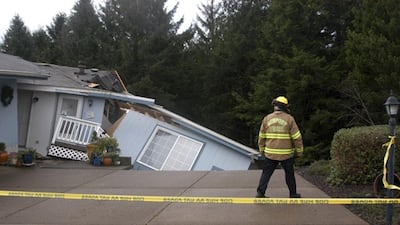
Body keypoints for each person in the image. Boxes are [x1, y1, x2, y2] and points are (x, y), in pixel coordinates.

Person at [256, 96, 304, 198]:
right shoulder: (289, 119)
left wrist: (261, 150)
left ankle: (260, 193)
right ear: (285, 107)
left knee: (266, 174)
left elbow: (261, 136)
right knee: (289, 175)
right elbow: (297, 137)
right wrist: (299, 151)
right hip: (286, 154)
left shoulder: (267, 118)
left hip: (270, 154)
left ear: (275, 106)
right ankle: (293, 194)